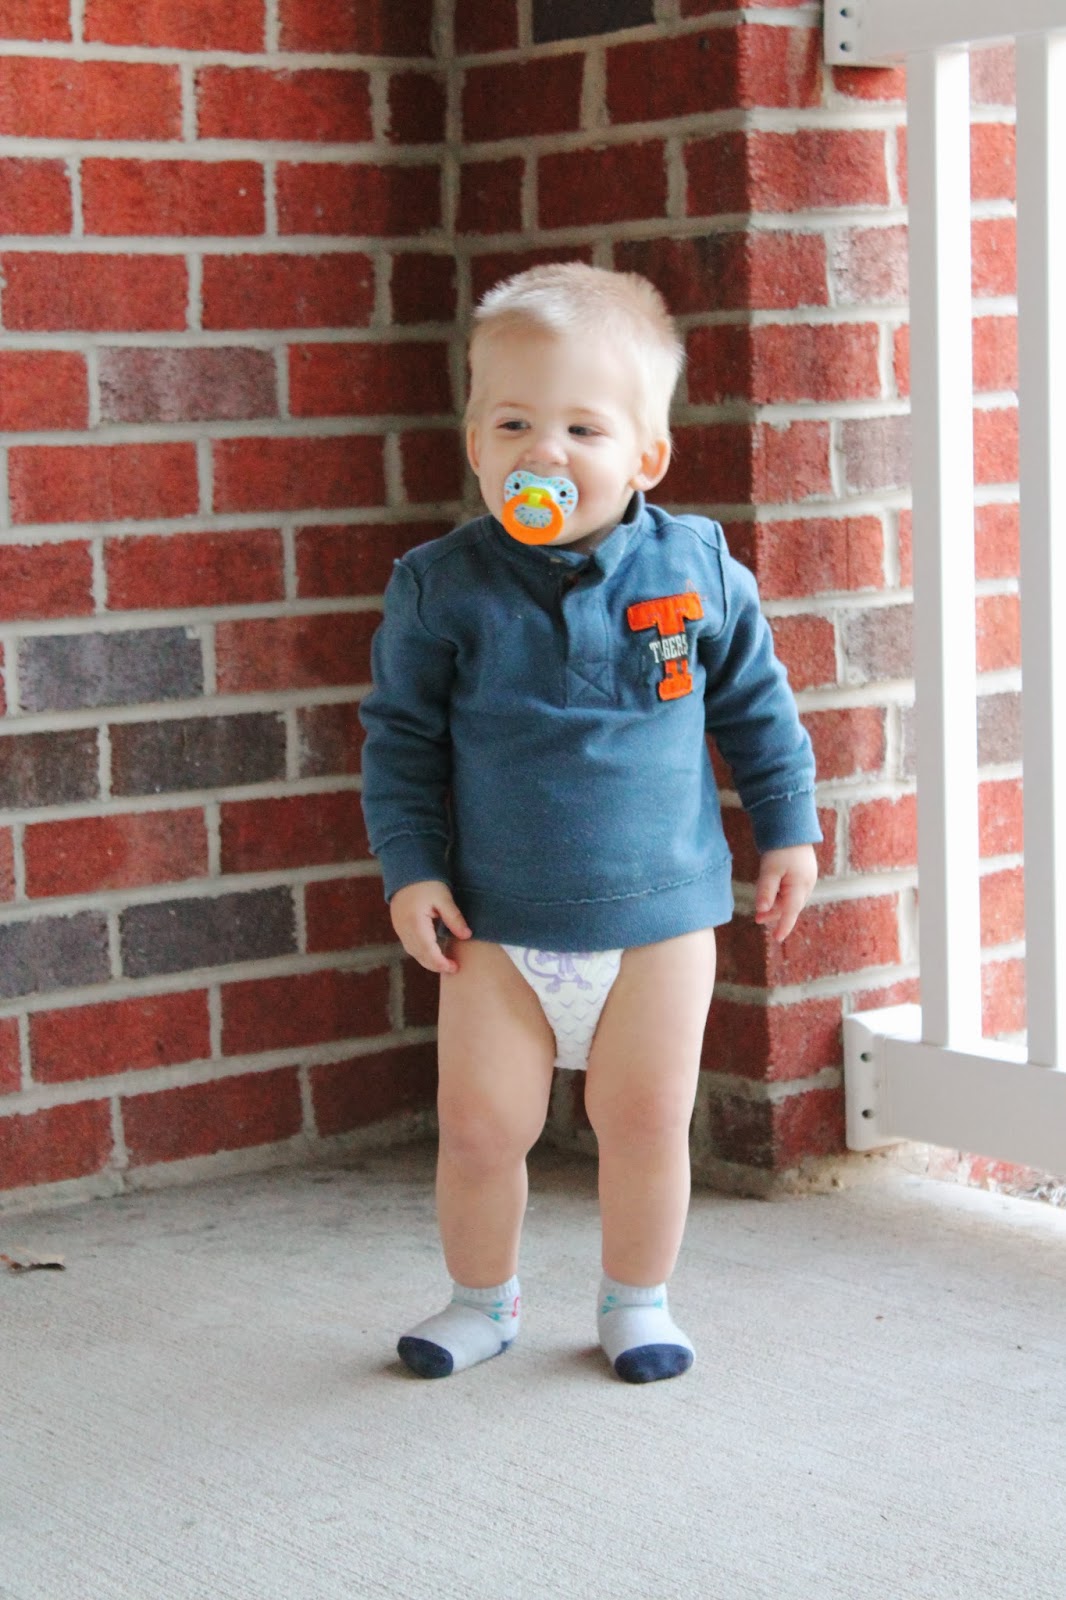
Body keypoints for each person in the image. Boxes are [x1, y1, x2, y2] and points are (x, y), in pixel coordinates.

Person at [359, 262, 820, 1384]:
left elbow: (758, 711)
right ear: (475, 442)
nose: (544, 453)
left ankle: (637, 1299)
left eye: (581, 428)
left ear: (646, 456)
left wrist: (788, 827)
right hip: (497, 922)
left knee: (647, 1121)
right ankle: (481, 1299)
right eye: (513, 423)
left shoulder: (696, 567)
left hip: (659, 916)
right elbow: (400, 741)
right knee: (480, 1126)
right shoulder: (439, 587)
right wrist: (412, 869)